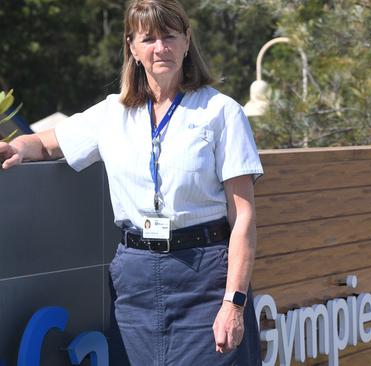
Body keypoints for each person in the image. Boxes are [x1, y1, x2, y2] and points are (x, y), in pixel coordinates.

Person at [0, 0, 263, 364]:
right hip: (135, 281)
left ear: (187, 41)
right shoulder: (112, 113)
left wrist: (233, 302)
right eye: (149, 38)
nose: (161, 48)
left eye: (170, 36)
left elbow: (244, 219)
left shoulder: (222, 113)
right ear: (132, 47)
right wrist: (15, 147)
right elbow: (45, 143)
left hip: (205, 277)